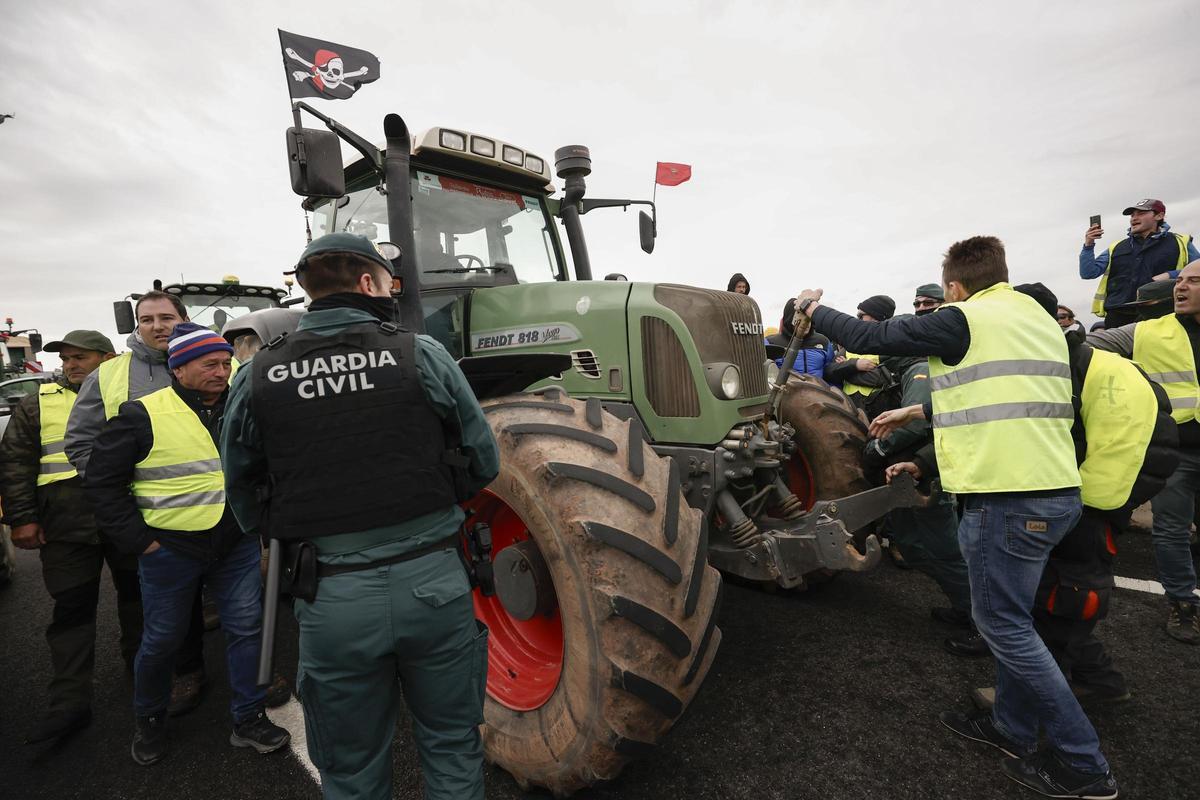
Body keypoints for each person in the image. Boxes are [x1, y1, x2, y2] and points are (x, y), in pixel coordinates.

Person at [795, 236, 1116, 799]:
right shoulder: (1035, 319)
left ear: (953, 286)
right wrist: (918, 408)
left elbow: (870, 336)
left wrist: (812, 308)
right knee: (1017, 620)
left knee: (1007, 629)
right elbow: (1006, 393)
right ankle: (1010, 728)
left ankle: (1083, 765)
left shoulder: (963, 318)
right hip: (1056, 492)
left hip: (1007, 499)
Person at [221, 233, 500, 800]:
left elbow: (242, 489)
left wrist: (286, 533)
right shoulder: (421, 353)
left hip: (330, 595)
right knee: (451, 745)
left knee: (349, 767)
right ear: (370, 283)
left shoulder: (256, 376)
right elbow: (482, 460)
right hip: (436, 584)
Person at [965, 284, 1178, 711]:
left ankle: (1030, 704)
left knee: (1066, 594)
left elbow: (1151, 450)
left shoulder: (1103, 370)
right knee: (1053, 594)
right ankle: (1097, 681)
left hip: (1087, 505)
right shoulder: (1051, 366)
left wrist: (1083, 510)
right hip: (1066, 498)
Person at [84, 323, 289, 765]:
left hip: (233, 543)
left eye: (226, 363)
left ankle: (249, 717)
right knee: (161, 640)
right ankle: (150, 719)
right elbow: (102, 483)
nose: (222, 371)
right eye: (209, 364)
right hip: (170, 549)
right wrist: (140, 541)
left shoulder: (243, 407)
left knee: (248, 629)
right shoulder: (141, 414)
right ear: (178, 369)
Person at [63, 290, 210, 715]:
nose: (158, 326)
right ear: (136, 326)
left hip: (219, 513)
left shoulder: (221, 361)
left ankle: (255, 674)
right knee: (168, 612)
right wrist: (118, 499)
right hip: (153, 520)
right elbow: (81, 442)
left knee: (241, 607)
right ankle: (187, 672)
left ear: (183, 318)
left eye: (166, 317)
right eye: (147, 320)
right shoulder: (109, 377)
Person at [0, 330, 144, 745]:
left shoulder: (129, 394)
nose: (71, 364)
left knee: (137, 601)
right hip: (65, 528)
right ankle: (69, 702)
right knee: (72, 612)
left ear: (107, 358)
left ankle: (142, 675)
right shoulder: (37, 404)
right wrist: (21, 520)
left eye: (81, 357)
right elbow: (15, 463)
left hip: (124, 519)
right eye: (66, 359)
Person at [1088, 260, 1200, 644]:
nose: (1181, 287)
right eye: (1179, 280)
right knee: (1171, 530)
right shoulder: (1149, 332)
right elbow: (1086, 344)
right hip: (1179, 453)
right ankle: (1182, 604)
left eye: (1193, 281)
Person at [859, 352, 977, 656]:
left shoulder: (920, 370)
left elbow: (914, 426)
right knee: (913, 546)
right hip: (904, 475)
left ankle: (982, 623)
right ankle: (965, 606)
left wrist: (878, 448)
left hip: (922, 475)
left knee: (947, 551)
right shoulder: (906, 371)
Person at [1081, 198, 1198, 328]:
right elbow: (1088, 273)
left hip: (1162, 313)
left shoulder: (1180, 241)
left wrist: (1170, 275)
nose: (1134, 218)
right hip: (1118, 315)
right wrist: (1089, 244)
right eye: (1132, 215)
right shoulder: (1116, 247)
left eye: (1141, 213)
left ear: (1159, 216)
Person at [825, 295, 895, 414]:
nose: (857, 320)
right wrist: (855, 365)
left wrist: (845, 369)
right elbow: (829, 371)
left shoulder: (891, 345)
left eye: (861, 316)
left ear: (876, 317)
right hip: (848, 409)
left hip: (879, 412)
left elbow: (884, 380)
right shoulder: (851, 344)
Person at [766, 298, 833, 379]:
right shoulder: (770, 342)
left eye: (809, 318)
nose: (806, 322)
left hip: (817, 390)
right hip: (784, 390)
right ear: (790, 318)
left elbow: (830, 373)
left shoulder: (823, 342)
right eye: (801, 317)